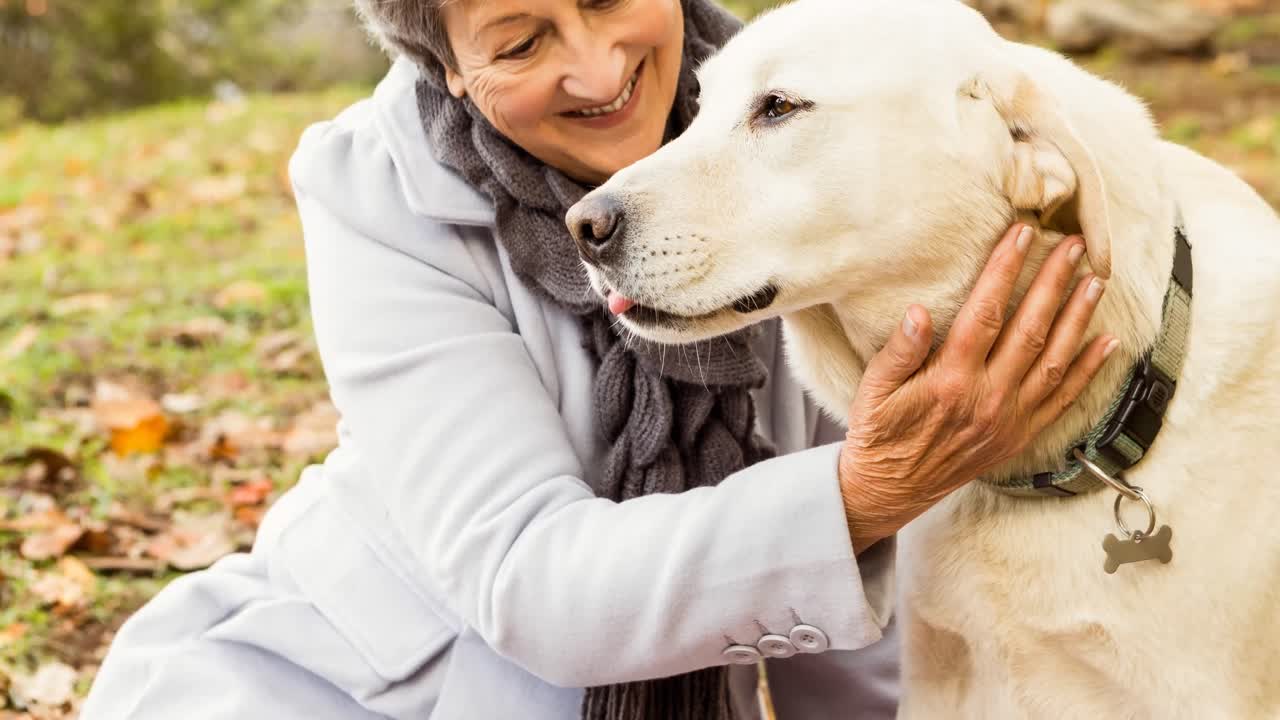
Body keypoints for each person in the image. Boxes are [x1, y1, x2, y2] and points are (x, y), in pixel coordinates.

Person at [81, 0, 1116, 718]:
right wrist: (862, 491)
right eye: (521, 41)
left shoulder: (815, 118)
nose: (596, 69)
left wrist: (875, 497)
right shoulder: (373, 189)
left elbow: (857, 629)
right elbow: (530, 580)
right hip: (335, 694)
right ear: (447, 68)